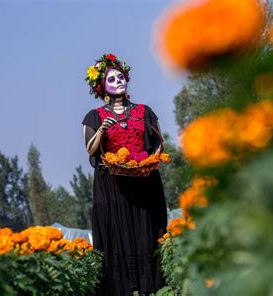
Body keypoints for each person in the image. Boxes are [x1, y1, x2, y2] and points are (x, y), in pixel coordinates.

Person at [82, 53, 168, 296]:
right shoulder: (94, 116)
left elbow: (158, 142)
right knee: (117, 234)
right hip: (112, 185)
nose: (119, 81)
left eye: (121, 77)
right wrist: (102, 129)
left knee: (147, 230)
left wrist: (150, 162)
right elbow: (90, 149)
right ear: (102, 87)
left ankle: (154, 286)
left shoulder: (145, 111)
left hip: (144, 181)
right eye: (112, 79)